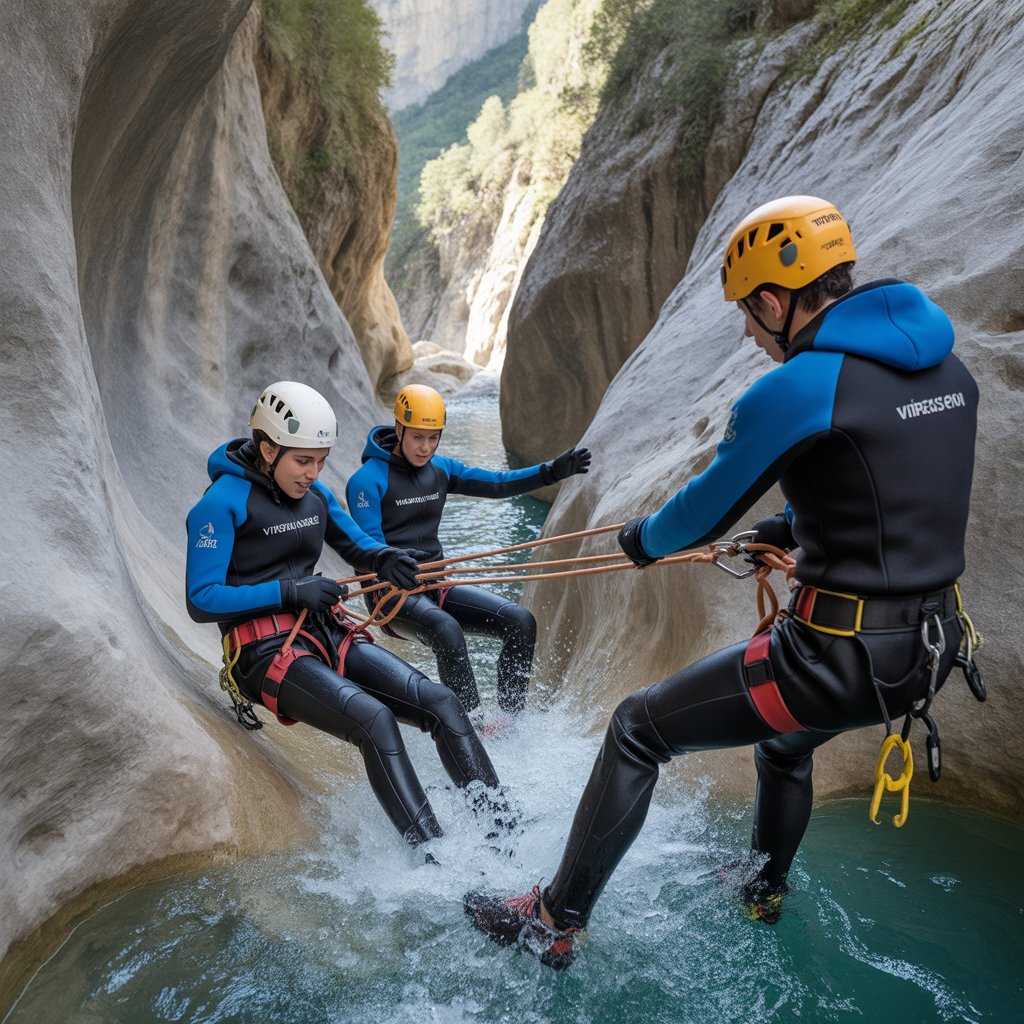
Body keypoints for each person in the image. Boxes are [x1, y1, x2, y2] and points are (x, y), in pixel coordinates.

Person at [464, 195, 980, 968]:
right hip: (930, 651)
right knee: (783, 748)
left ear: (776, 301)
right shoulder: (945, 366)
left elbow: (698, 515)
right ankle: (764, 890)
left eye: (747, 310)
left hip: (835, 661)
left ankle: (552, 918)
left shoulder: (801, 385)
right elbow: (889, 497)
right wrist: (786, 532)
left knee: (637, 729)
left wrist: (642, 540)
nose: (746, 328)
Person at [186, 380, 517, 848]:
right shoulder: (219, 505)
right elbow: (202, 598)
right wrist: (290, 590)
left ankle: (502, 829)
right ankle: (438, 858)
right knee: (374, 720)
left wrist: (384, 559)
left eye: (320, 461)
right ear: (266, 448)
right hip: (261, 653)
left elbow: (355, 543)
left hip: (322, 631)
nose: (313, 472)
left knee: (442, 702)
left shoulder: (316, 495)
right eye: (303, 460)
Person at [345, 384, 591, 721]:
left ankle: (508, 724)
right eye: (417, 436)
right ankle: (471, 728)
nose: (426, 447)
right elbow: (369, 545)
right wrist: (392, 564)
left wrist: (550, 472)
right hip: (391, 596)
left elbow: (498, 483)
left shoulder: (441, 469)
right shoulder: (367, 481)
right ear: (399, 428)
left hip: (435, 585)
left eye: (433, 437)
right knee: (448, 631)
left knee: (520, 621)